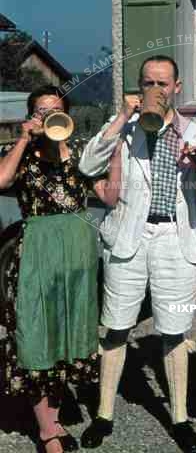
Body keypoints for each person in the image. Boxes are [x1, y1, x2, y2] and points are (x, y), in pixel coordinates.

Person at [78, 55, 196, 453]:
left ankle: (181, 418)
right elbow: (87, 165)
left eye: (163, 83)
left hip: (175, 238)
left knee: (173, 331)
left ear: (177, 88)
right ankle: (104, 414)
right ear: (138, 88)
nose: (156, 90)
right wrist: (120, 118)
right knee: (116, 327)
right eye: (148, 83)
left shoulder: (195, 131)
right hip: (129, 240)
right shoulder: (124, 128)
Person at [0, 85, 115, 453]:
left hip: (76, 257)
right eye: (41, 111)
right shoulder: (24, 155)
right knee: (36, 338)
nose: (49, 117)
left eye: (55, 110)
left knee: (65, 336)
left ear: (66, 114)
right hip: (36, 254)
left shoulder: (79, 155)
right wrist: (22, 138)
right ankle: (48, 431)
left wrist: (120, 152)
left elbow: (109, 195)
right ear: (32, 116)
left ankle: (53, 416)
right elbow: (1, 181)